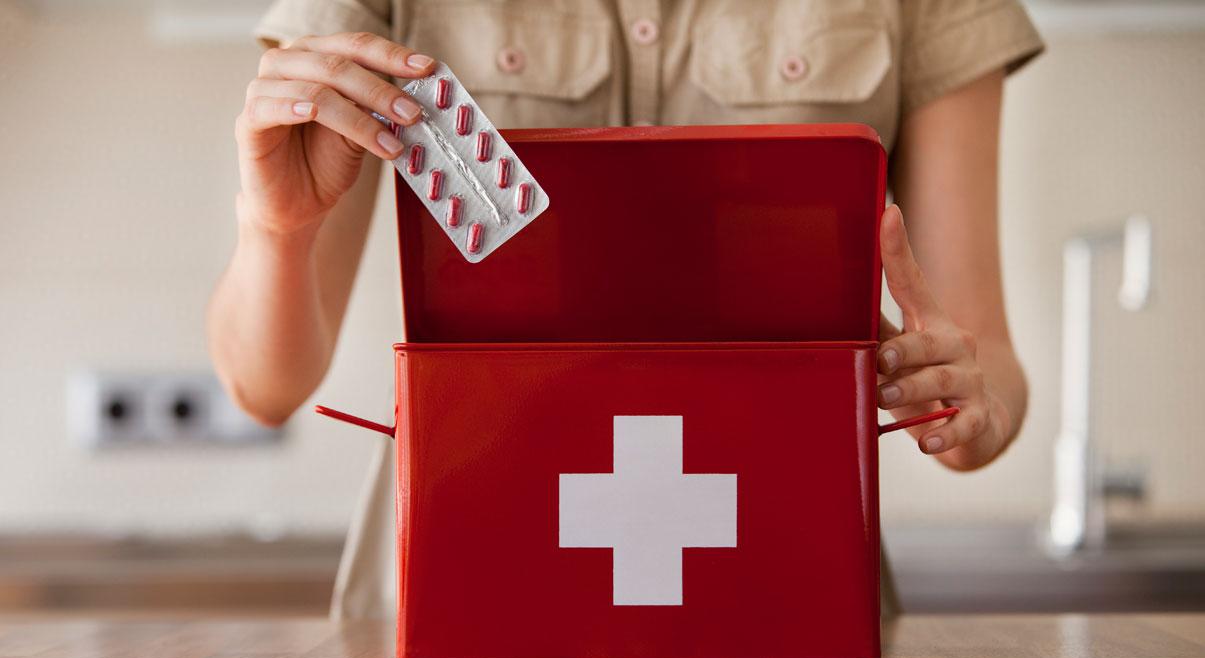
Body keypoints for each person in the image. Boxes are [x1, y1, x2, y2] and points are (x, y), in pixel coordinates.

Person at [208, 0, 1044, 619]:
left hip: (785, 584)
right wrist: (274, 228)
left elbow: (980, 372)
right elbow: (266, 386)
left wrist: (966, 396)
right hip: (468, 586)